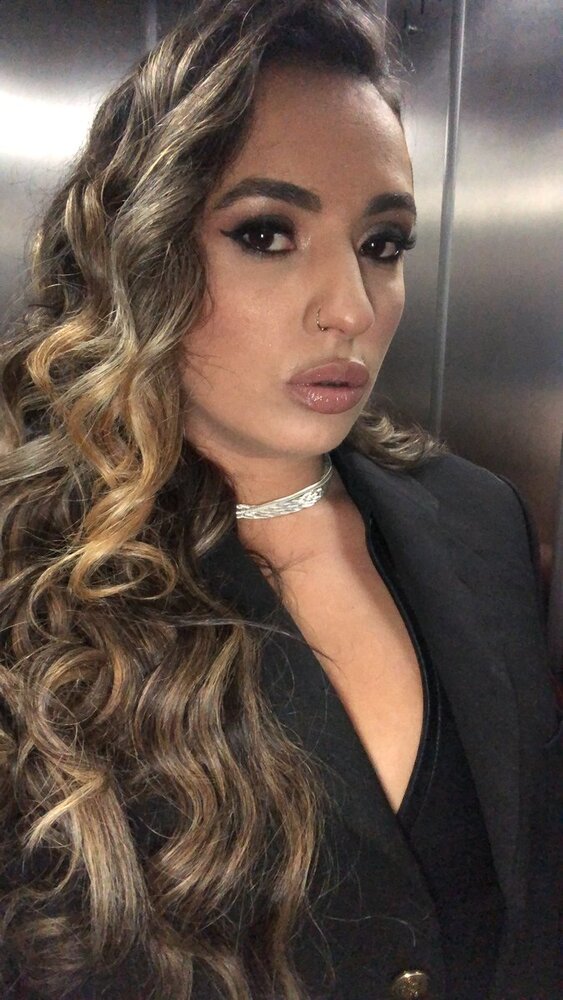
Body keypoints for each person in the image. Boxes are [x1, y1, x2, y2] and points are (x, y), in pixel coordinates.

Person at [0, 1, 560, 998]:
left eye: (381, 244)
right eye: (266, 233)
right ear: (144, 248)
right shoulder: (26, 578)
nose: (350, 308)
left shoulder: (481, 519)